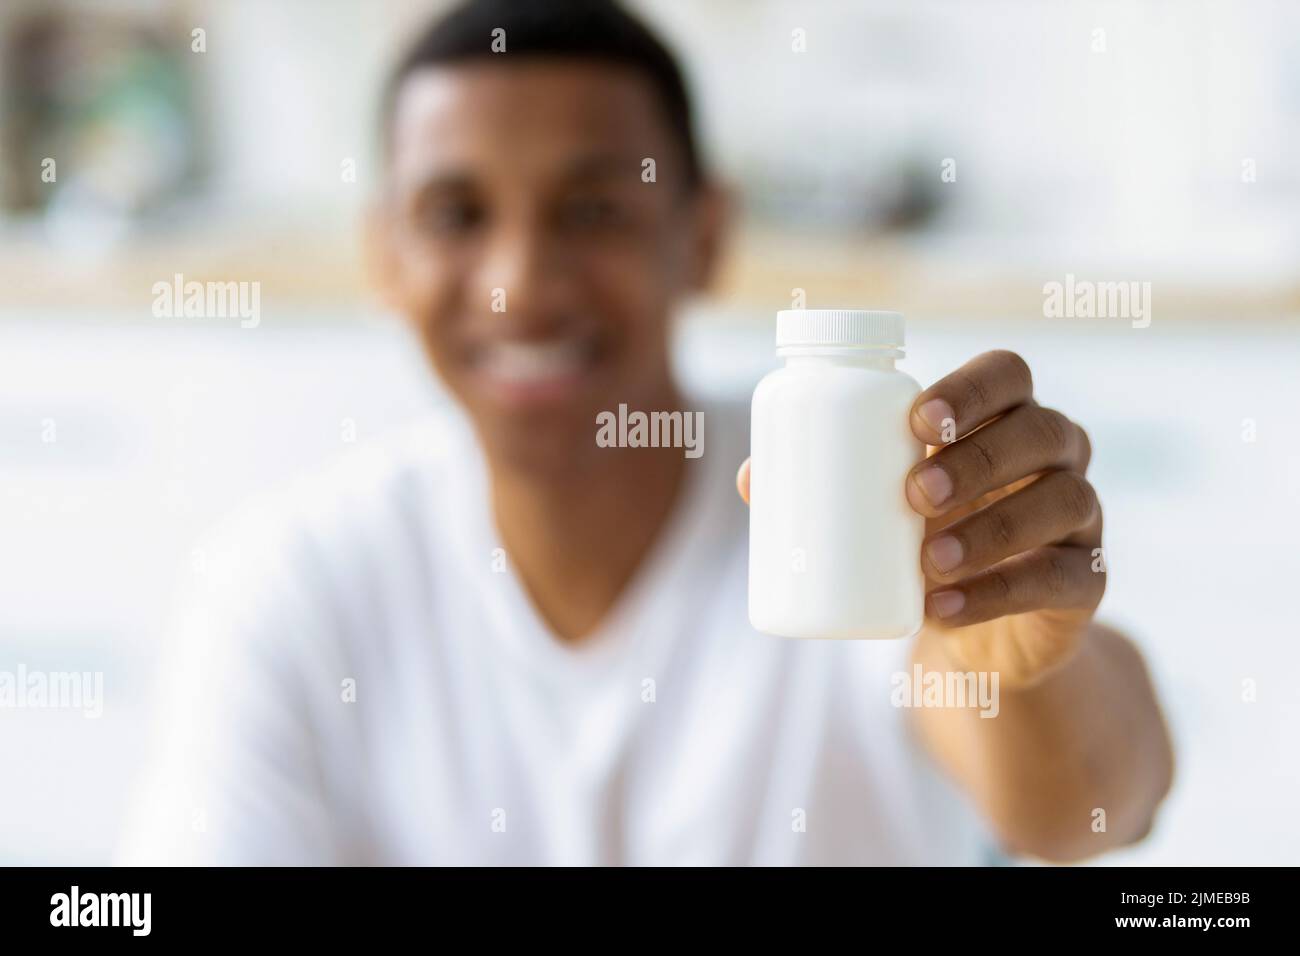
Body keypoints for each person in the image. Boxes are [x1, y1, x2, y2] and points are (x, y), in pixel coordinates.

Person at [120, 0, 1173, 866]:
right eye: (455, 215)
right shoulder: (293, 583)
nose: (520, 283)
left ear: (703, 235)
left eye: (592, 211)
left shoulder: (853, 501)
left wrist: (1023, 671)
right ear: (385, 254)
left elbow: (1090, 805)